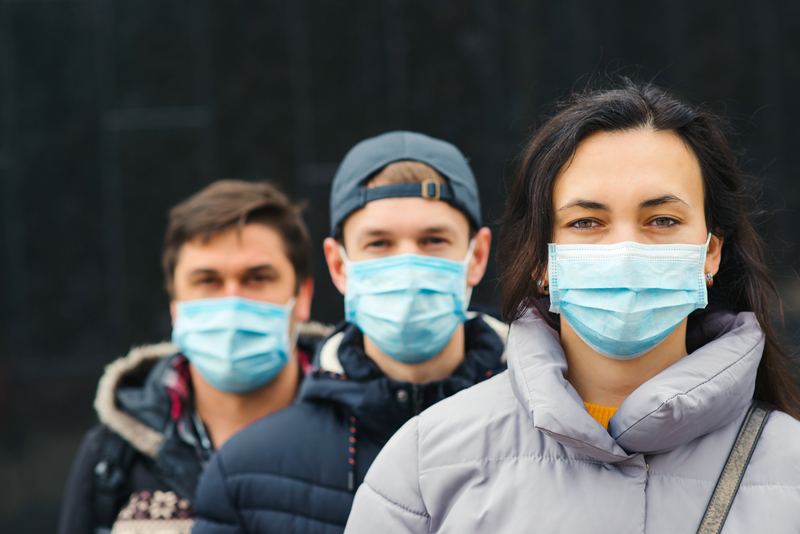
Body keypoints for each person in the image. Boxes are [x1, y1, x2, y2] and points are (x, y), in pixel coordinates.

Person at [344, 81, 800, 533]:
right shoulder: (426, 466)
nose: (625, 248)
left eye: (662, 220)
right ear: (542, 260)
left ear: (710, 253)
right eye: (586, 222)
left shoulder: (789, 466)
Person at [191, 131, 509, 534]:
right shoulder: (244, 472)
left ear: (476, 256)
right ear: (339, 266)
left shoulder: (555, 436)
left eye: (433, 240)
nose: (407, 265)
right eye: (379, 243)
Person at [58, 180, 328, 534]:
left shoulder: (360, 435)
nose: (232, 301)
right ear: (175, 305)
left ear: (303, 295)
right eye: (207, 280)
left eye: (258, 278)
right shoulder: (112, 456)